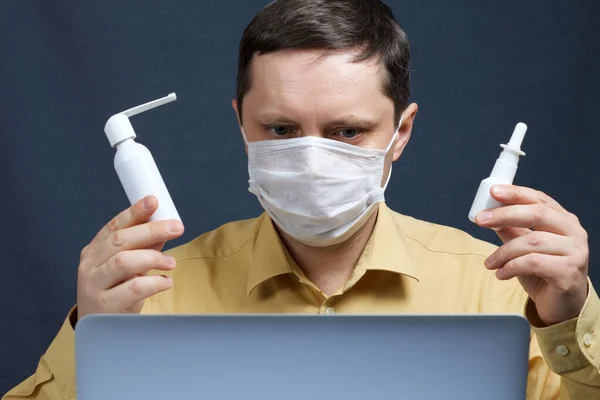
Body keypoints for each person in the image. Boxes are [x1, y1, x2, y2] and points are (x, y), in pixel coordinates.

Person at [4, 0, 598, 399]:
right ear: (241, 124)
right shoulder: (149, 293)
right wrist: (95, 338)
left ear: (402, 133)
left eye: (347, 132)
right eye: (282, 130)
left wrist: (570, 318)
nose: (313, 161)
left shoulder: (499, 287)